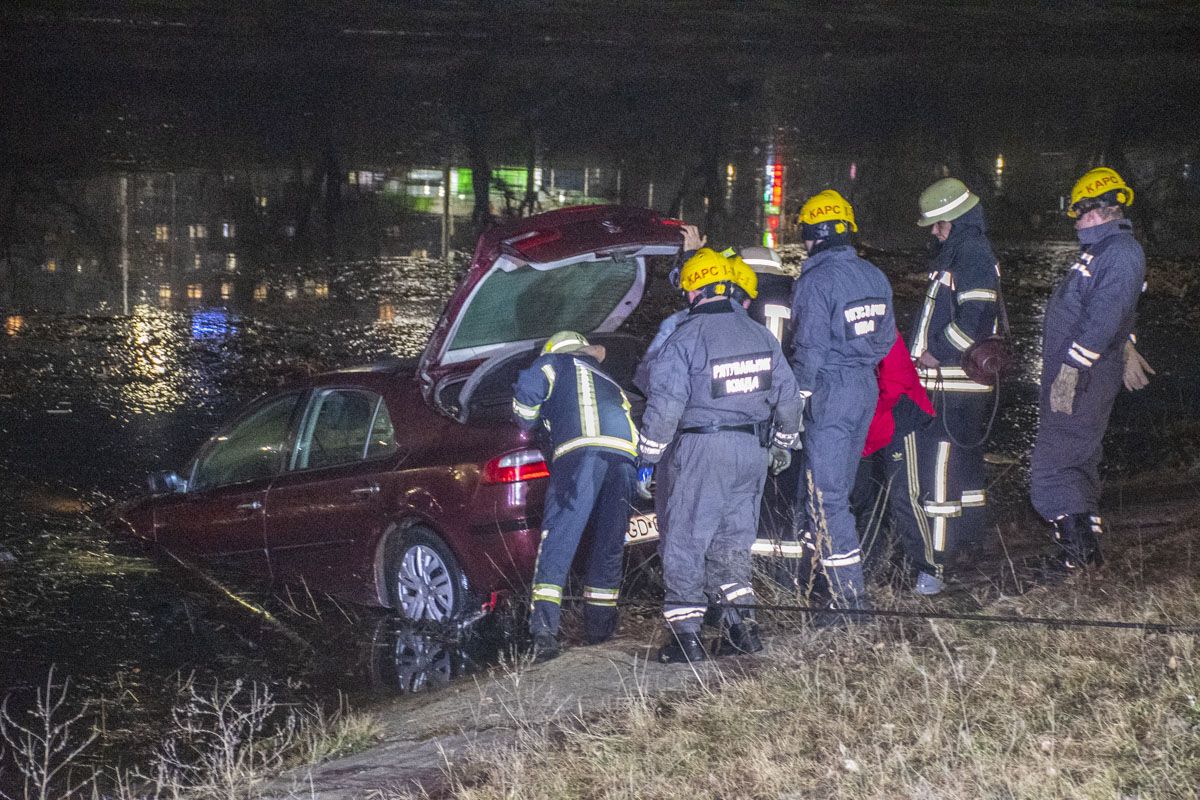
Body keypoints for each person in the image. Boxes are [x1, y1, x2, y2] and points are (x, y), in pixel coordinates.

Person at [638, 248, 801, 663]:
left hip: (703, 448)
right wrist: (783, 443)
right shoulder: (759, 335)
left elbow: (666, 405)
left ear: (695, 290)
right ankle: (741, 628)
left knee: (687, 539)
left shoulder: (685, 337)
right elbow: (788, 398)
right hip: (752, 451)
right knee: (733, 543)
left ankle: (686, 636)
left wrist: (648, 456)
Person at [891, 177, 1002, 595]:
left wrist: (935, 352)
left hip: (948, 384)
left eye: (938, 225)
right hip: (960, 386)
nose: (935, 232)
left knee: (936, 475)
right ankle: (968, 545)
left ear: (954, 219)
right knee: (963, 473)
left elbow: (974, 319)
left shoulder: (970, 254)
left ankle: (932, 567)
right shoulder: (967, 252)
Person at [1030, 167, 1146, 569]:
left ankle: (1075, 555)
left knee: (1054, 461)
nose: (1076, 221)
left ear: (1097, 209)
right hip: (1088, 372)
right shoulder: (1103, 253)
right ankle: (1083, 552)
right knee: (1076, 458)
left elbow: (1106, 314)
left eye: (1079, 213)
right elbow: (1112, 312)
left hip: (1084, 376)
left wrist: (1073, 368)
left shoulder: (1119, 253)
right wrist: (1126, 345)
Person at [789, 189, 896, 621]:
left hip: (830, 392)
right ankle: (825, 588)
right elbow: (887, 339)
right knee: (839, 495)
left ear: (813, 235)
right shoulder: (875, 276)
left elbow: (809, 348)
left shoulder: (815, 281)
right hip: (864, 390)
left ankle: (848, 603)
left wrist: (793, 402)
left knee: (827, 499)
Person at [511, 330, 639, 660]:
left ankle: (544, 634)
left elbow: (527, 393)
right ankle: (600, 629)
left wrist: (529, 420)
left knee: (559, 539)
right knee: (609, 544)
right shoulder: (608, 380)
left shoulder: (551, 363)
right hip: (624, 460)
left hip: (580, 457)